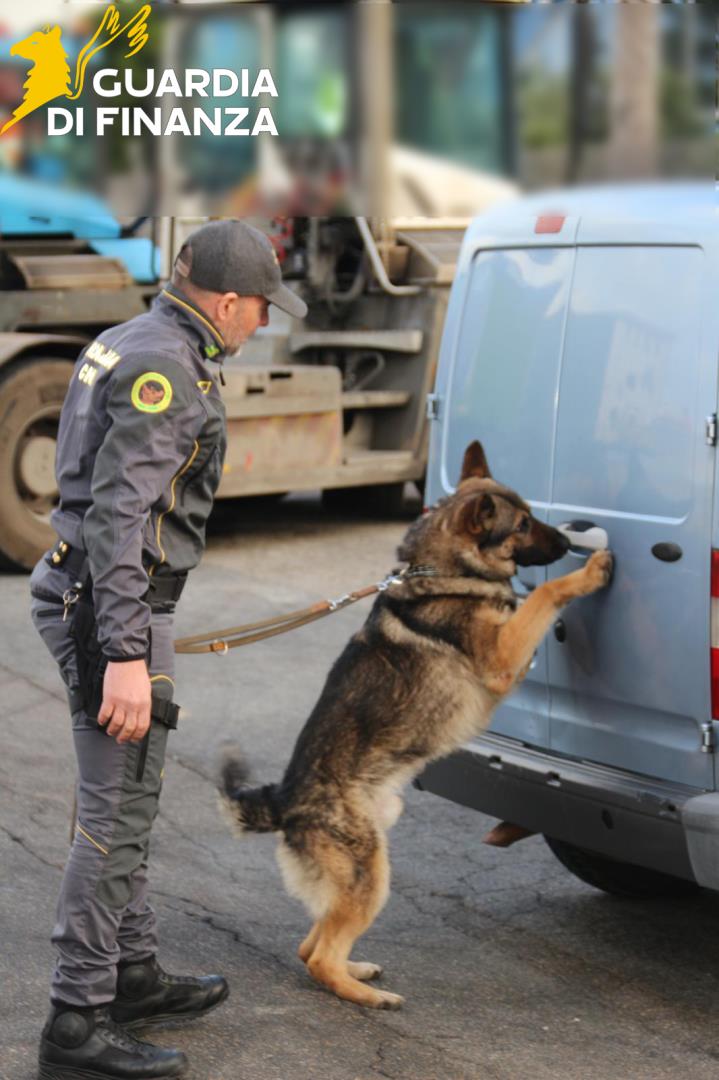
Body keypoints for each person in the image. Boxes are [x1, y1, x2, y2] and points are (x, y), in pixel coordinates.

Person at [30, 220, 308, 1080]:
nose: (263, 322)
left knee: (131, 800)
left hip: (104, 595)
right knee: (113, 821)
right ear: (225, 300)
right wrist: (122, 651)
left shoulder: (130, 337)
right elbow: (120, 514)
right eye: (261, 307)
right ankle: (77, 1021)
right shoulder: (166, 369)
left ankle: (132, 973)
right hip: (113, 608)